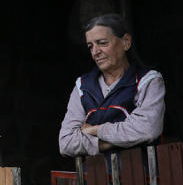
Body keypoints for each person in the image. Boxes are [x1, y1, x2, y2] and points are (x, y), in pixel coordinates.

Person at [58, 13, 165, 157]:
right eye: (90, 46)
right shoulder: (82, 86)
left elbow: (148, 130)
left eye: (102, 43)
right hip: (95, 177)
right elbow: (66, 143)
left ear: (126, 42)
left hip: (139, 175)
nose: (95, 52)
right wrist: (113, 142)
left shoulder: (148, 81)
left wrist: (94, 130)